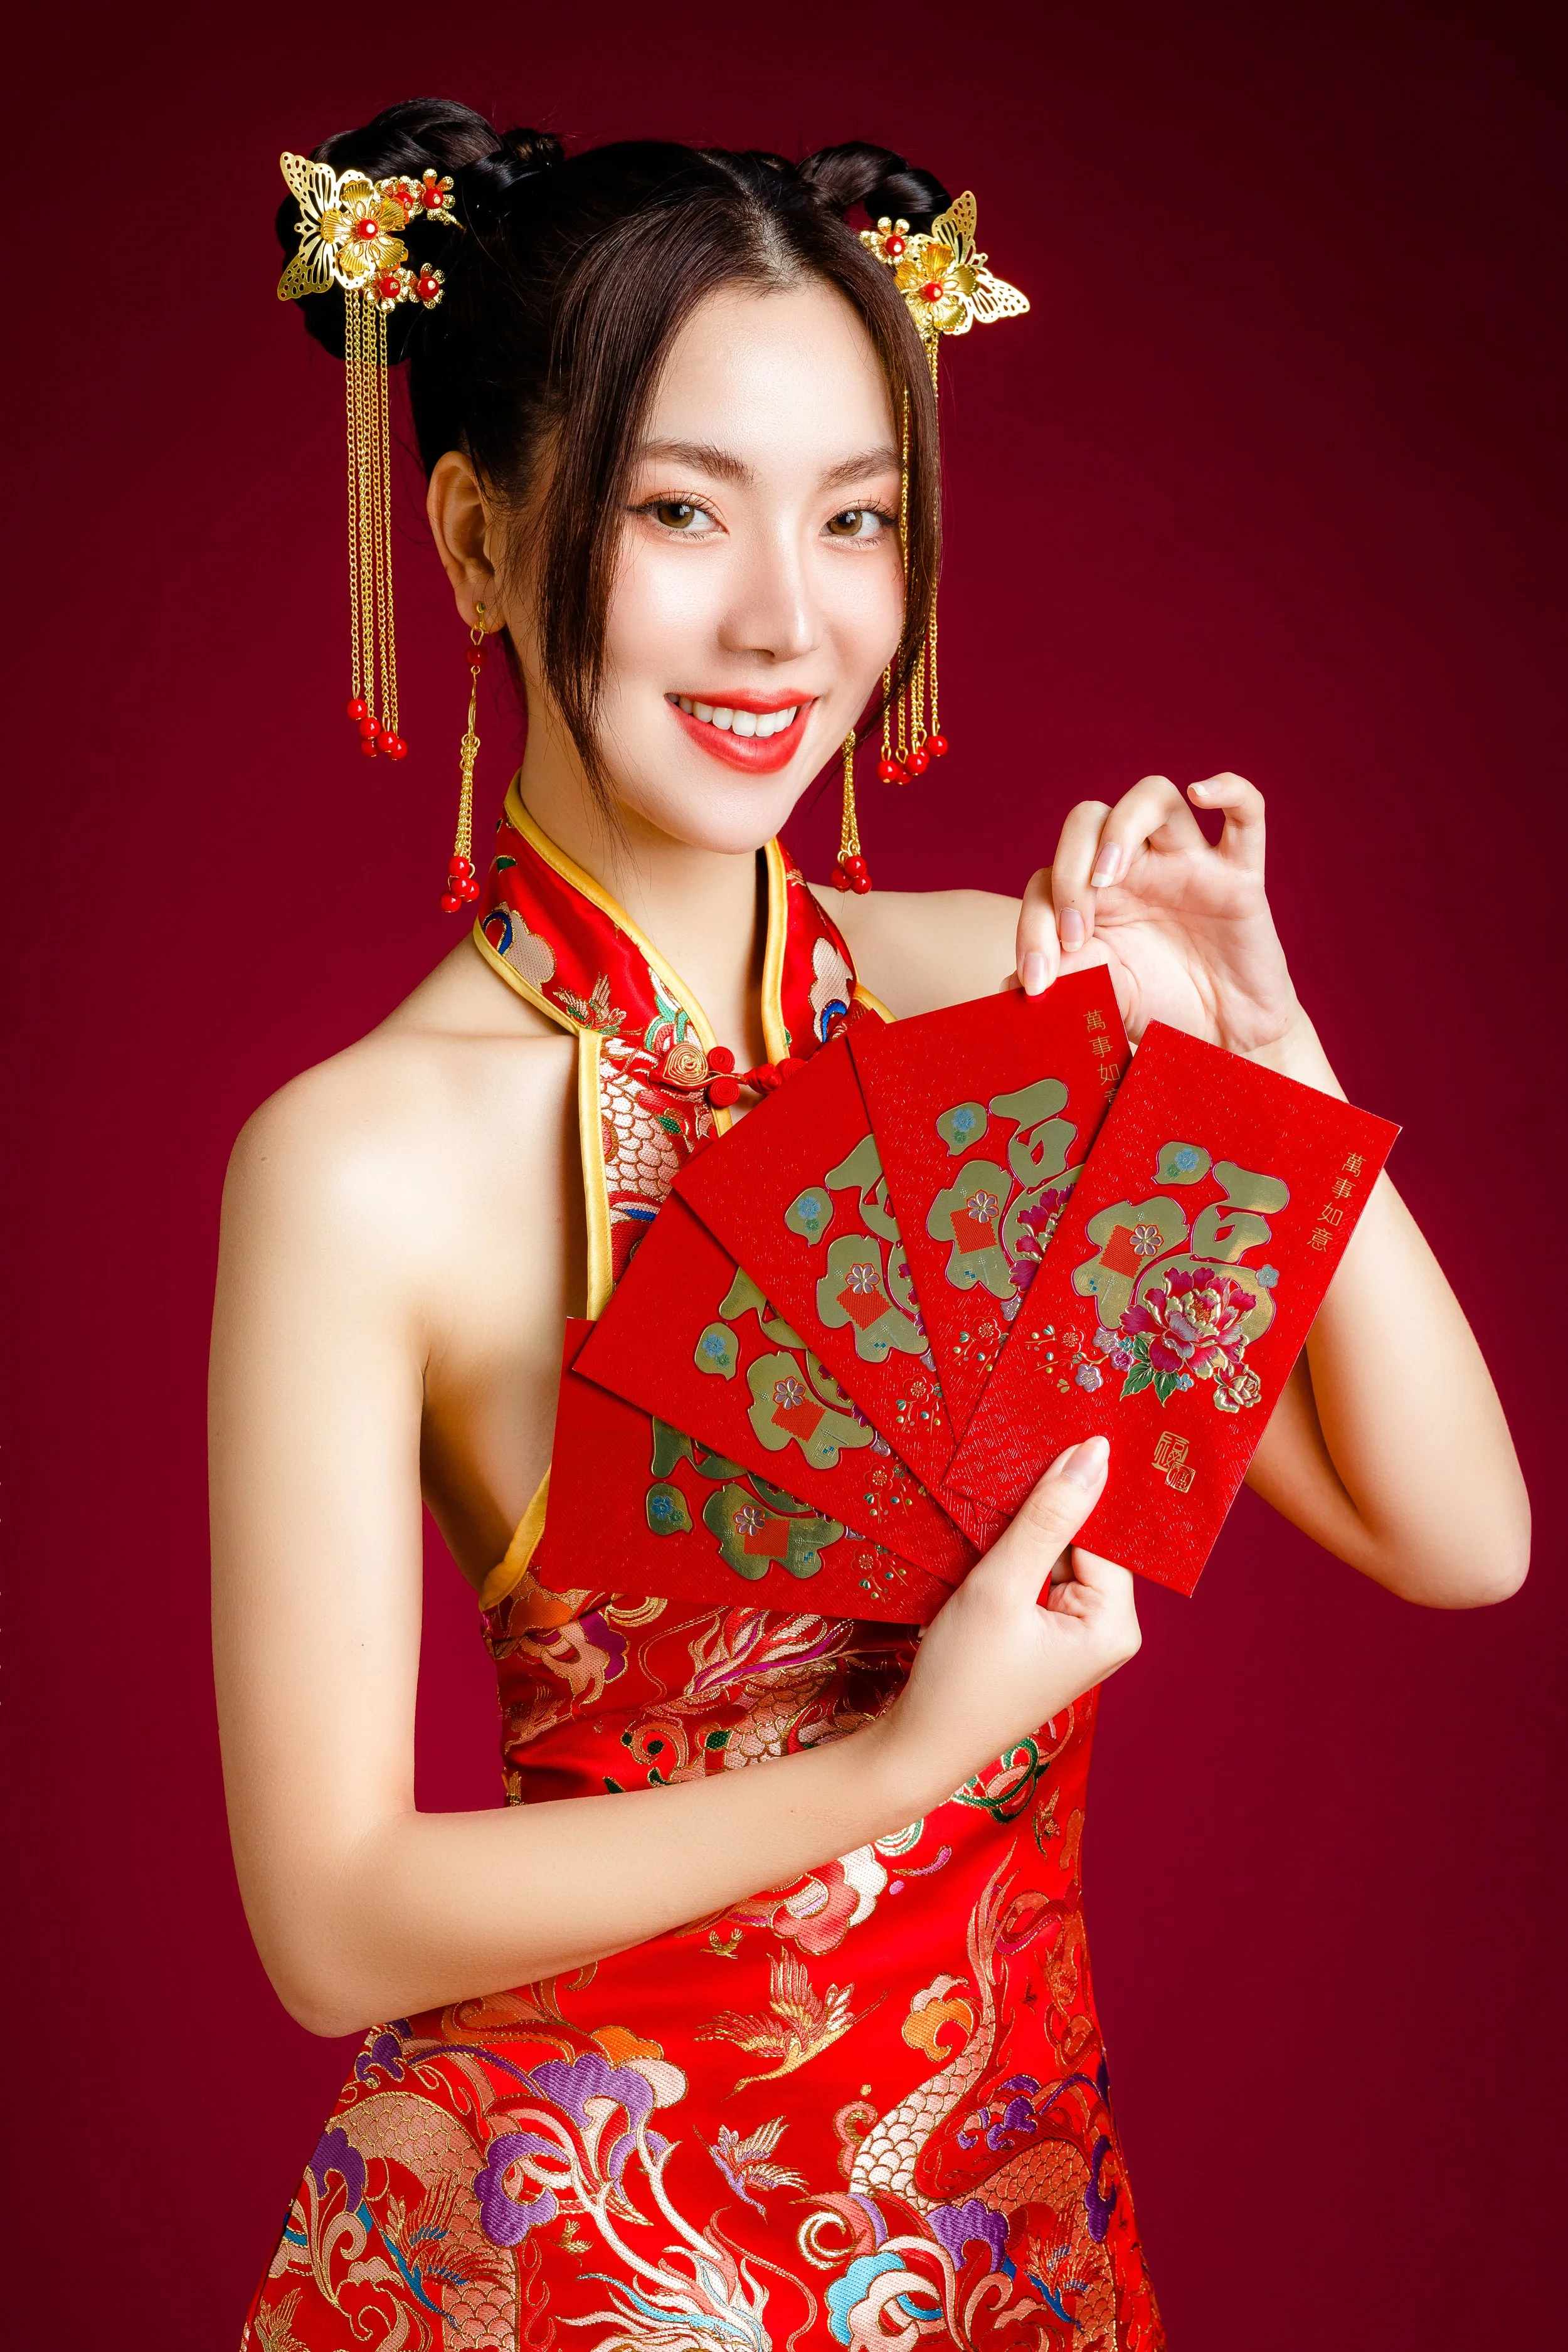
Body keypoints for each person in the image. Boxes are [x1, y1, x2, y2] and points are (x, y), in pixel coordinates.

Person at [213, 100, 1528, 2351]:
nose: (781, 619)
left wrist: (1268, 1054)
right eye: (673, 511)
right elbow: (335, 1920)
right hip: (564, 2261)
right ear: (472, 535)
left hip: (1008, 2243)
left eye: (855, 519)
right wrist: (899, 1764)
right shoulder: (360, 1161)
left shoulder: (977, 996)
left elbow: (1455, 1529)